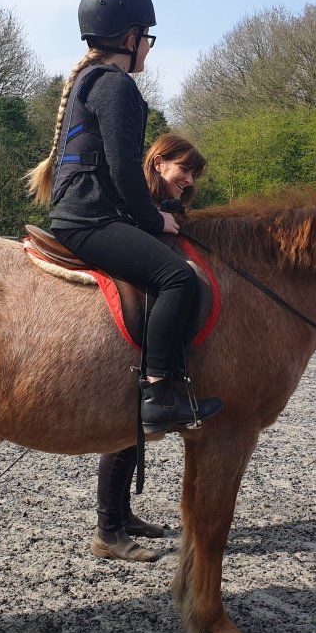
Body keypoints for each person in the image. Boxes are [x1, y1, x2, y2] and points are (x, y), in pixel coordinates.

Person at [25, 0, 223, 434]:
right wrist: (157, 220)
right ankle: (157, 394)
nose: (149, 50)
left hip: (84, 214)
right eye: (147, 40)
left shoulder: (88, 81)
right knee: (177, 278)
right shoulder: (115, 86)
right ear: (131, 39)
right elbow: (124, 173)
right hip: (90, 219)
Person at [91, 135, 209, 562]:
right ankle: (107, 530)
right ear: (159, 163)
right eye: (184, 169)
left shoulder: (160, 201)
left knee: (132, 426)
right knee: (126, 424)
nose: (190, 179)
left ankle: (120, 514)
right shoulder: (134, 196)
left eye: (194, 173)